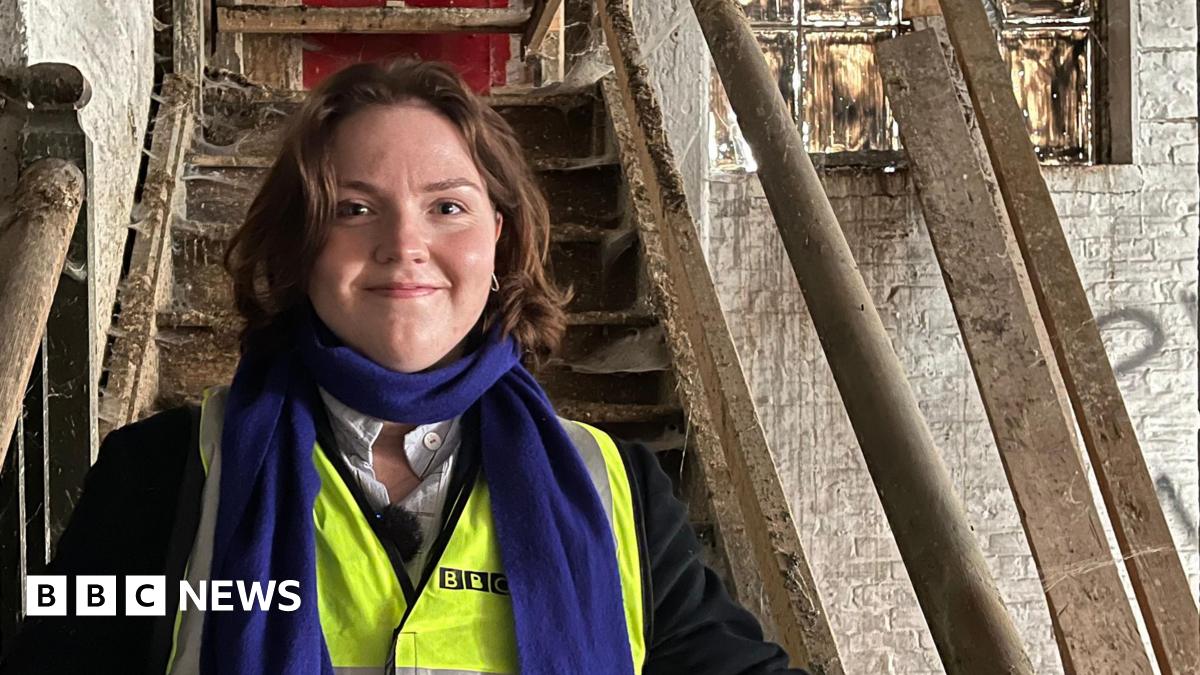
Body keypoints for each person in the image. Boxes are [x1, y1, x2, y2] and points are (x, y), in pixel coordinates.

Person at [0, 59, 806, 675]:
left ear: (501, 236)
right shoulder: (157, 476)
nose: (404, 244)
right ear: (300, 244)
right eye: (353, 208)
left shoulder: (618, 492)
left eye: (447, 206)